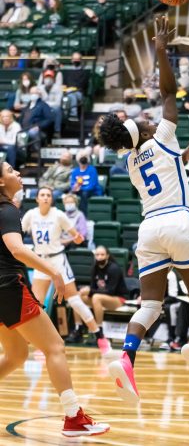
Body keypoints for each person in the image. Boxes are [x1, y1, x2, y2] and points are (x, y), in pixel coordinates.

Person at [98, 16, 189, 403]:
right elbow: (169, 92)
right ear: (146, 132)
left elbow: (161, 170)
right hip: (178, 221)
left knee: (150, 303)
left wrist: (180, 157)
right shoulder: (162, 135)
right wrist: (162, 49)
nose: (147, 119)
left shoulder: (131, 162)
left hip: (148, 229)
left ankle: (127, 357)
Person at [0, 161, 109, 436]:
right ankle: (74, 417)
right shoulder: (7, 210)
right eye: (12, 170)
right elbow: (17, 249)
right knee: (55, 347)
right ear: (1, 182)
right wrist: (53, 272)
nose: (18, 173)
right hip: (9, 287)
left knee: (16, 354)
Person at [22, 187, 110, 354]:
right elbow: (18, 233)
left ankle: (99, 335)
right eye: (42, 195)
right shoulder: (31, 215)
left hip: (58, 260)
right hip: (40, 261)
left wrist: (77, 237)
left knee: (74, 300)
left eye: (48, 195)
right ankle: (38, 339)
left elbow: (76, 236)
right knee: (35, 304)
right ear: (37, 199)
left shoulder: (58, 215)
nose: (46, 197)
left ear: (52, 199)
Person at [67, 246, 128, 346]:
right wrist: (87, 291)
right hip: (100, 298)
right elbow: (93, 288)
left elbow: (110, 291)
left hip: (118, 299)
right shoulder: (94, 268)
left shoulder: (114, 268)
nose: (99, 257)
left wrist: (90, 291)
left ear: (107, 256)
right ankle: (78, 329)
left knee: (96, 297)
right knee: (77, 298)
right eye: (97, 255)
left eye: (102, 254)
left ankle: (99, 331)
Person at [19, 86, 55, 150]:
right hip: (24, 129)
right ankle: (22, 154)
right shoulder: (26, 107)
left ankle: (37, 152)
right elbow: (20, 120)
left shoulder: (44, 105)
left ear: (39, 94)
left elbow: (49, 119)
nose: (33, 95)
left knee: (31, 132)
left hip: (37, 130)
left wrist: (39, 126)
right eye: (31, 93)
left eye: (35, 93)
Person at [70, 150, 103, 216]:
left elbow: (92, 185)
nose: (83, 158)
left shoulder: (92, 169)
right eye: (81, 156)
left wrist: (80, 188)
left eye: (85, 156)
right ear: (77, 158)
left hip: (93, 191)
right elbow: (72, 184)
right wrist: (74, 187)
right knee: (70, 194)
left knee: (84, 193)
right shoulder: (75, 171)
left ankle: (84, 216)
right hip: (80, 191)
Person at [63, 53, 89, 121]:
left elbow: (83, 85)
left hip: (79, 93)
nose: (76, 60)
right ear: (71, 60)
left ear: (80, 60)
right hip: (67, 91)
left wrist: (72, 88)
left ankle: (73, 115)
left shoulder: (84, 72)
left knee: (72, 94)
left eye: (77, 59)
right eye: (74, 59)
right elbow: (64, 83)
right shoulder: (67, 72)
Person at [38, 69, 63, 134]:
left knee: (57, 109)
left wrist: (45, 104)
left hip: (53, 108)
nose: (48, 79)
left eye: (50, 77)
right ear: (43, 78)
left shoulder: (58, 88)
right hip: (42, 107)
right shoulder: (40, 88)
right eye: (46, 77)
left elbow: (58, 103)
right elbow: (38, 101)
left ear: (53, 78)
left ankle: (57, 131)